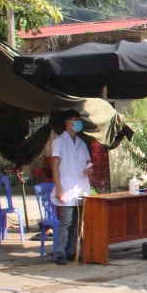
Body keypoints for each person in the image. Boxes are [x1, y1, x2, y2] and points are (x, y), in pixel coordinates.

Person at [50, 109, 91, 265]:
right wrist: (59, 188)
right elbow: (55, 166)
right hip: (66, 187)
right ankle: (60, 252)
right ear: (68, 122)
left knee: (77, 222)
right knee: (66, 221)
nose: (79, 123)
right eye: (76, 120)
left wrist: (89, 169)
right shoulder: (59, 142)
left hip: (81, 187)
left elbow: (87, 162)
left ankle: (71, 251)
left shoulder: (81, 143)